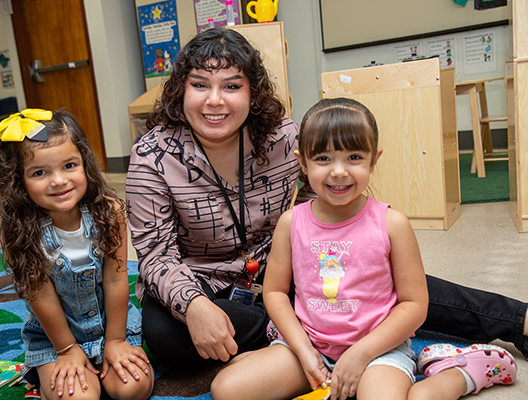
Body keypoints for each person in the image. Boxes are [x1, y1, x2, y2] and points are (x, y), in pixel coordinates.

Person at [126, 28, 528, 369]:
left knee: (375, 272)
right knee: (164, 335)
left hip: (286, 269)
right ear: (181, 89)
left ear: (252, 91)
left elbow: (320, 198)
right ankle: (326, 328)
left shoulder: (284, 137)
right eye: (200, 85)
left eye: (232, 86)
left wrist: (346, 258)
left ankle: (518, 321)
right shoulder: (153, 155)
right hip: (200, 282)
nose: (215, 100)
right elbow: (156, 255)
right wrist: (194, 305)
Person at [210, 98, 517, 400]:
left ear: (374, 159)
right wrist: (303, 350)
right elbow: (275, 292)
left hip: (378, 351)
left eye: (354, 157)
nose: (339, 171)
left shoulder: (392, 224)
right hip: (309, 346)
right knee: (226, 390)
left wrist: (361, 354)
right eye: (323, 159)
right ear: (302, 161)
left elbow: (414, 304)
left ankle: (460, 370)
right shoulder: (291, 223)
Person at [0, 109, 154, 400]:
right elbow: (40, 296)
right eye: (40, 172)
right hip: (55, 338)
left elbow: (117, 281)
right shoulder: (18, 230)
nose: (58, 181)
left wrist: (116, 340)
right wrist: (67, 350)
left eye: (69, 165)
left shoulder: (110, 212)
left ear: (85, 163)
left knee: (134, 388)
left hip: (111, 326)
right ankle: (43, 377)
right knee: (79, 397)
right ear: (19, 180)